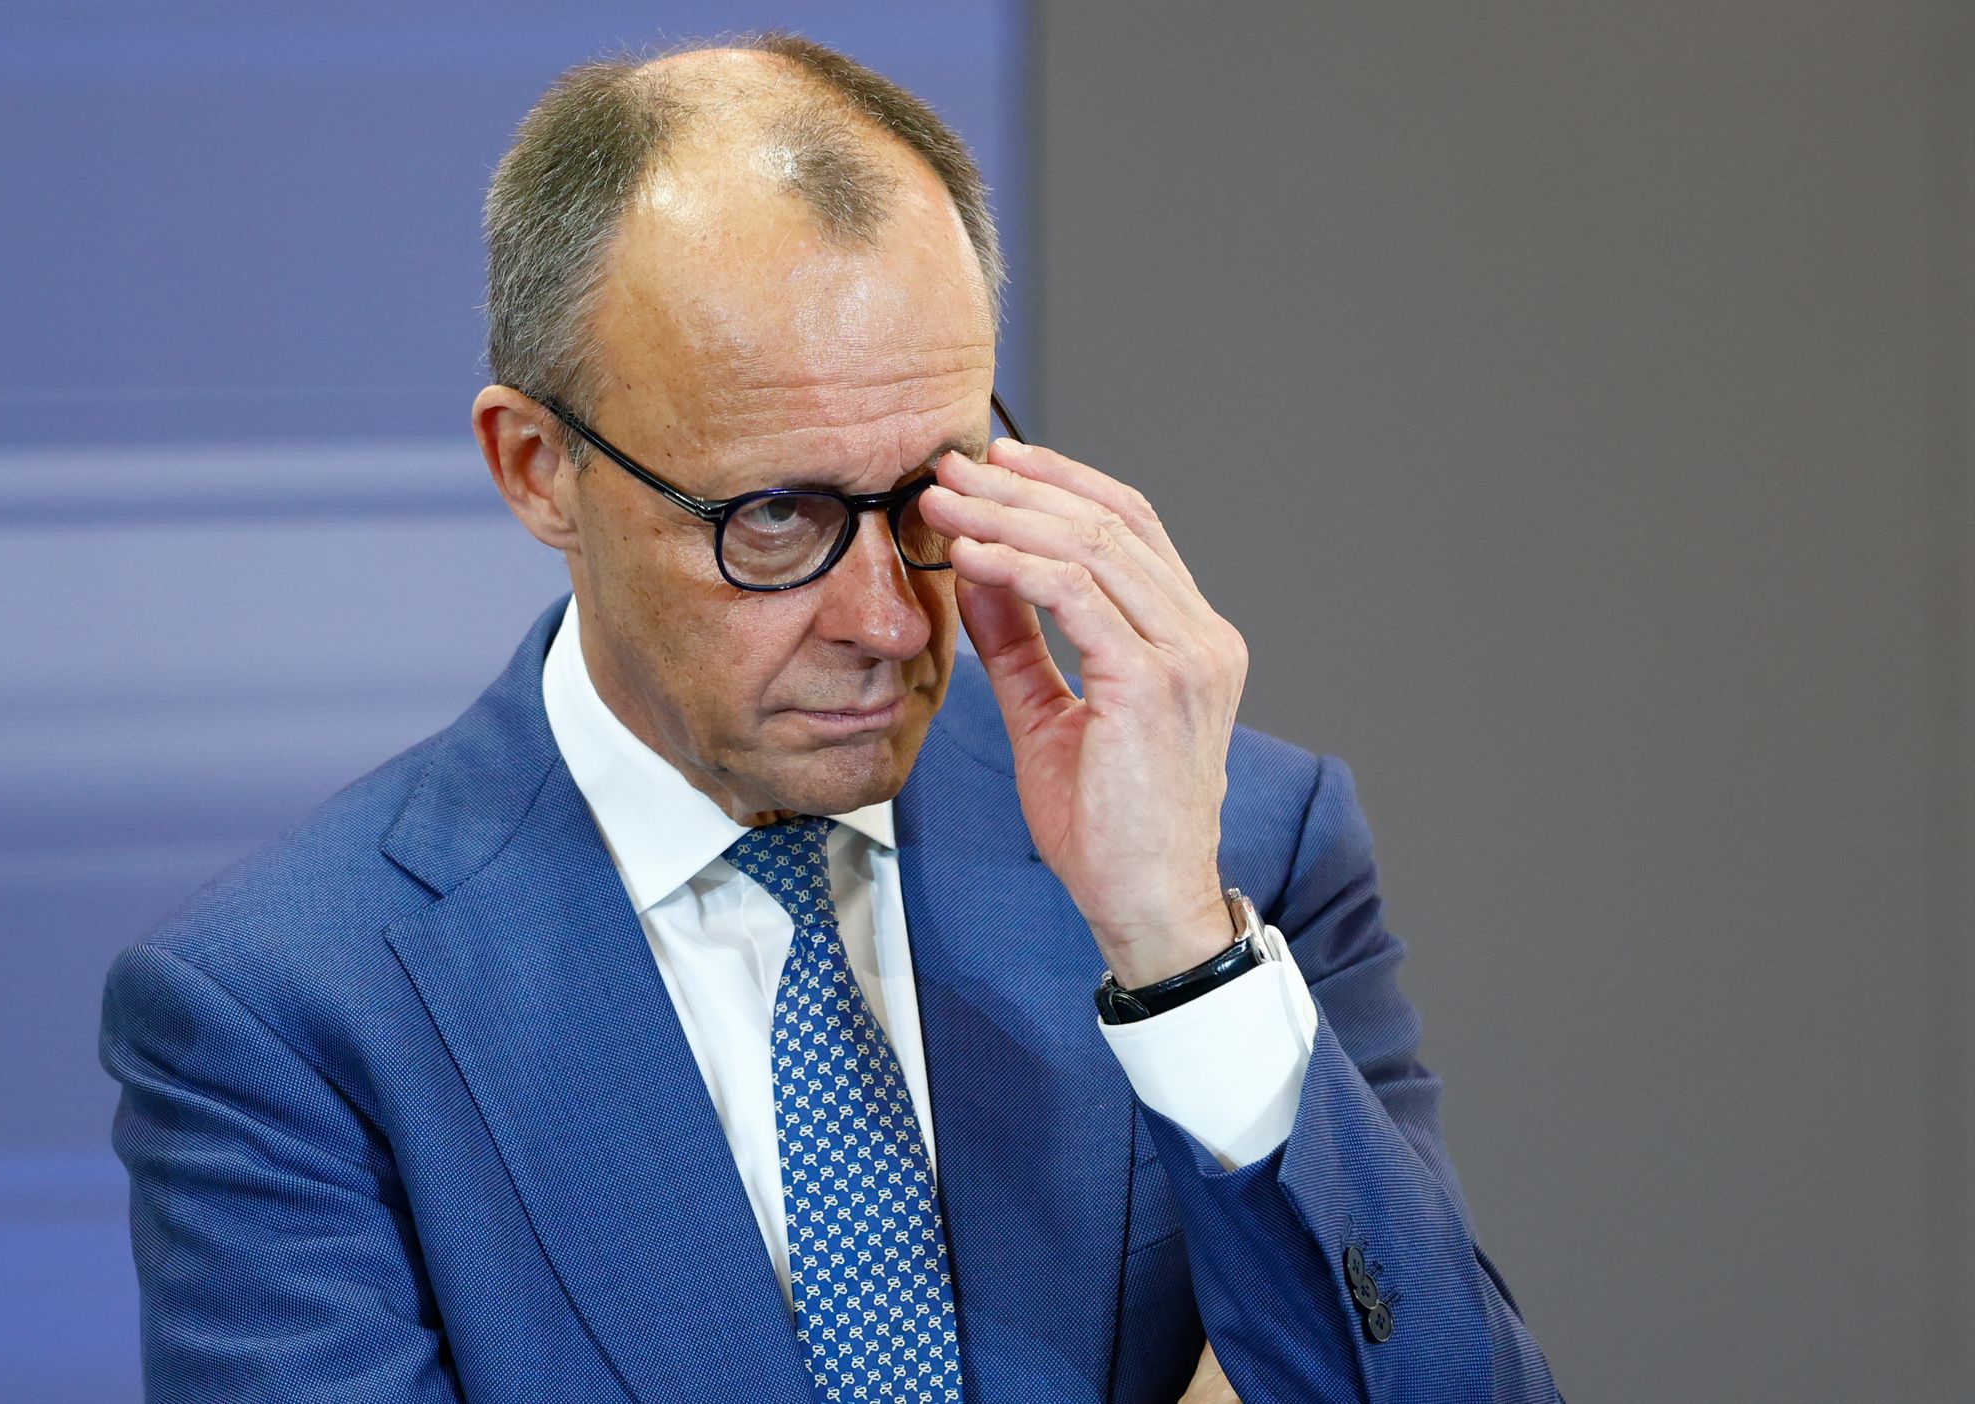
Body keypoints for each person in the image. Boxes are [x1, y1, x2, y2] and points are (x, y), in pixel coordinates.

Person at [100, 34, 1560, 1404]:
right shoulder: (287, 1007)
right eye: (776, 516)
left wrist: (1179, 951)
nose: (889, 620)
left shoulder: (1238, 851)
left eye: (935, 493)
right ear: (537, 466)